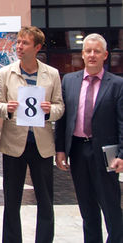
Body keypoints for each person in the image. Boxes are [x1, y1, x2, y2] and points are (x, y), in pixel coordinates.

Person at [0, 26, 64, 243]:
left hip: (41, 145)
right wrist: (8, 109)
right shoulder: (5, 73)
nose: (19, 47)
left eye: (24, 43)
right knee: (12, 200)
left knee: (45, 200)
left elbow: (60, 107)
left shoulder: (52, 74)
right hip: (14, 144)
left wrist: (48, 111)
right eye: (18, 43)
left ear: (38, 47)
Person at [55, 33, 123, 243]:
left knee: (111, 206)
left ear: (105, 55)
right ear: (82, 54)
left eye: (97, 51)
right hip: (77, 149)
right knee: (87, 207)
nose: (92, 55)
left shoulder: (117, 84)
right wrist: (60, 150)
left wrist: (122, 154)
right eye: (88, 51)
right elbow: (63, 119)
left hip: (106, 152)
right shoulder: (69, 81)